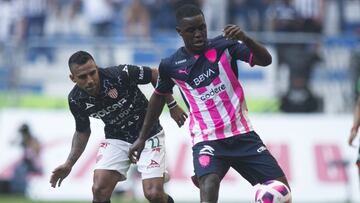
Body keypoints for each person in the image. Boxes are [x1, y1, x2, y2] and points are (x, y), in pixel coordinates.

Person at [128, 4, 291, 203]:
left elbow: (266, 60)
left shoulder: (225, 46)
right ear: (180, 32)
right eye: (191, 30)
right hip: (208, 140)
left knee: (282, 190)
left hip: (243, 134)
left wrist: (246, 39)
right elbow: (158, 96)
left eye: (201, 27)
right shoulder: (171, 65)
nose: (198, 34)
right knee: (209, 183)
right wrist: (142, 137)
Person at [49, 51, 187, 203]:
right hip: (117, 138)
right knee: (99, 189)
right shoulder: (76, 100)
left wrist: (172, 104)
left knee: (153, 194)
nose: (90, 80)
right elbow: (82, 131)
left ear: (96, 67)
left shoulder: (120, 74)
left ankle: (156, 177)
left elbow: (154, 74)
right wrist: (69, 163)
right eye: (82, 77)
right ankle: (156, 174)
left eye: (92, 73)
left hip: (149, 133)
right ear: (72, 78)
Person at [11, 123, 43, 194]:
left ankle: (22, 191)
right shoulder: (23, 140)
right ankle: (18, 190)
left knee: (21, 169)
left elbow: (36, 153)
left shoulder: (33, 140)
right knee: (17, 169)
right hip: (27, 163)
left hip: (34, 164)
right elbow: (11, 142)